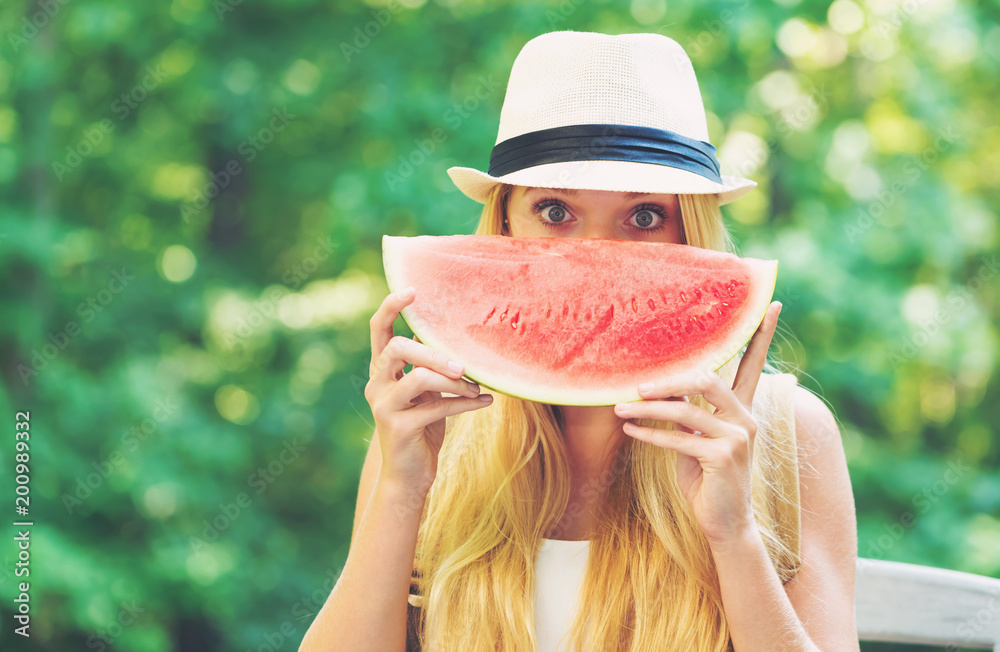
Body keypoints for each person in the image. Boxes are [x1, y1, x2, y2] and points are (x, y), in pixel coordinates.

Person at [301, 30, 858, 652]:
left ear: (690, 238)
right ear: (504, 221)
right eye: (556, 212)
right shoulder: (428, 430)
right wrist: (403, 491)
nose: (594, 258)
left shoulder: (785, 435)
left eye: (644, 216)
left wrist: (735, 537)